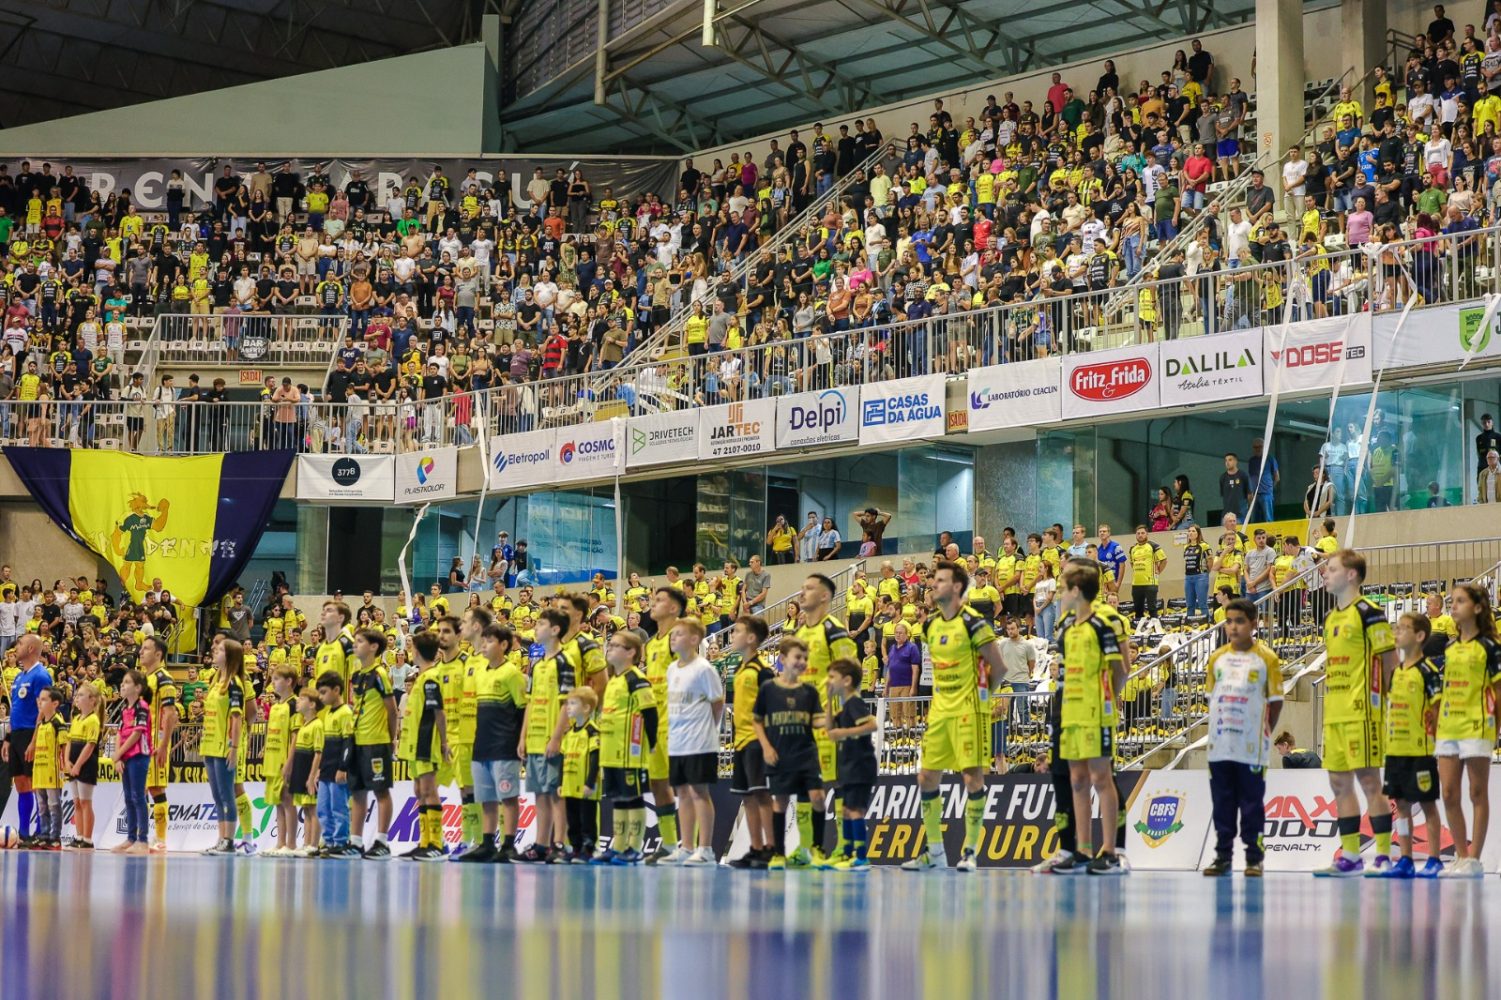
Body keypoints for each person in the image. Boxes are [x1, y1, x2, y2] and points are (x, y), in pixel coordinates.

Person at [902, 560, 1006, 872]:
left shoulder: (974, 623)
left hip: (969, 710)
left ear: (957, 586)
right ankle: (934, 853)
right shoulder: (930, 626)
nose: (933, 584)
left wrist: (982, 698)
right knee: (926, 777)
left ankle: (970, 852)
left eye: (941, 580)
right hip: (939, 711)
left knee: (972, 777)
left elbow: (999, 668)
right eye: (933, 580)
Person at [1314, 549, 1398, 877]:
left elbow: (1389, 661)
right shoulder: (1330, 617)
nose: (1325, 573)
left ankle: (1383, 856)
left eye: (1332, 568)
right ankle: (1350, 857)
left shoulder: (1369, 613)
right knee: (1339, 783)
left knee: (1369, 781)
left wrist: (1388, 703)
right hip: (1334, 711)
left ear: (1351, 575)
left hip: (1362, 711)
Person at [1051, 561, 1127, 874]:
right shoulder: (1067, 627)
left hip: (1096, 713)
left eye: (1063, 589)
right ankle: (1082, 849)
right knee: (1078, 780)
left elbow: (1120, 670)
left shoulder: (1101, 625)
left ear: (1077, 591)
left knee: (1101, 778)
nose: (1060, 594)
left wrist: (1105, 700)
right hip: (1071, 712)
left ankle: (1110, 850)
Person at [1201, 599, 1283, 877]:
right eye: (1229, 621)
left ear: (1253, 623)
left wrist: (1264, 730)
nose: (1233, 627)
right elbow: (1212, 699)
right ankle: (1222, 856)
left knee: (1251, 804)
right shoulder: (1217, 658)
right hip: (1220, 746)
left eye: (1239, 621)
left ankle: (1253, 858)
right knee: (1221, 803)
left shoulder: (1267, 658)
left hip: (1251, 748)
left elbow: (1276, 701)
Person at [1434, 580, 1501, 879]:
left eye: (1460, 601)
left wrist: (1496, 727)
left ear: (1476, 607)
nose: (1453, 605)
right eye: (1452, 601)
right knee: (1449, 793)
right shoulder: (1449, 647)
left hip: (1477, 725)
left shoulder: (1490, 647)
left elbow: (1498, 692)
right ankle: (1461, 856)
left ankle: (1474, 859)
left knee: (1476, 792)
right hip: (1449, 727)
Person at [793, 573, 859, 860]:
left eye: (809, 588)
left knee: (838, 783)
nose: (802, 592)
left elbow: (851, 675)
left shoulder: (834, 630)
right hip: (803, 725)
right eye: (802, 587)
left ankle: (846, 848)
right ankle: (807, 849)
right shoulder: (799, 635)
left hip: (830, 722)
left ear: (824, 596)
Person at [1381, 612, 1446, 879]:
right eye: (1396, 628)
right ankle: (1405, 858)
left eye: (1403, 628)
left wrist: (1435, 744)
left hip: (1420, 751)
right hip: (1395, 750)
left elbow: (1437, 711)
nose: (1397, 632)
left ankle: (1434, 858)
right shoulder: (1396, 672)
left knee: (1428, 805)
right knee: (1402, 808)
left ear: (1419, 636)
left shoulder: (1428, 671)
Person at [753, 636, 827, 869]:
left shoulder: (809, 692)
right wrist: (766, 747)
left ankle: (817, 848)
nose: (802, 662)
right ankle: (778, 853)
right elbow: (757, 720)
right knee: (781, 801)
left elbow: (817, 721)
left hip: (806, 754)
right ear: (783, 659)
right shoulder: (768, 689)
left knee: (818, 797)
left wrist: (835, 715)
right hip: (779, 754)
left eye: (805, 658)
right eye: (798, 657)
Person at [589, 630, 659, 866]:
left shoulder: (636, 679)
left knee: (633, 797)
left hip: (630, 752)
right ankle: (618, 846)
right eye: (610, 645)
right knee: (618, 798)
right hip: (610, 751)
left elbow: (650, 713)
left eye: (616, 645)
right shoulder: (614, 680)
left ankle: (634, 847)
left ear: (631, 652)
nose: (609, 648)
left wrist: (651, 744)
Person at [461, 624, 527, 864]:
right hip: (482, 745)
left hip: (504, 746)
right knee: (486, 798)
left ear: (504, 645)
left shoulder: (512, 673)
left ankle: (508, 844)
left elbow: (523, 710)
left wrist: (521, 741)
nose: (484, 645)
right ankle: (487, 843)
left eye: (489, 641)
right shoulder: (481, 673)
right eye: (483, 641)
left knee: (507, 797)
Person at [663, 618, 724, 866]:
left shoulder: (704, 669)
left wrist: (707, 729)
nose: (673, 637)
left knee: (699, 792)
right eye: (672, 634)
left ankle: (706, 849)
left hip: (700, 742)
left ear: (694, 639)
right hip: (677, 742)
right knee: (682, 793)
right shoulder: (672, 669)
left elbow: (717, 703)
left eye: (679, 634)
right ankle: (687, 847)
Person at [343, 627, 397, 859]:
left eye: (360, 641)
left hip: (376, 741)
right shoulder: (357, 675)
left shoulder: (380, 674)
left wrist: (392, 739)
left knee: (381, 791)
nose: (355, 644)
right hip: (358, 740)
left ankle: (382, 841)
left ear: (374, 647)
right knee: (357, 792)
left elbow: (392, 710)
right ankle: (355, 842)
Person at [726, 617, 776, 869]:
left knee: (762, 794)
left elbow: (772, 707)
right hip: (740, 740)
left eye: (737, 631)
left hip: (758, 740)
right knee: (747, 796)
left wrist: (768, 743)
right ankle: (755, 848)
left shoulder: (762, 671)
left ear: (751, 638)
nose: (732, 635)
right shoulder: (739, 668)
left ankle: (771, 848)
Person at [396, 630, 449, 861]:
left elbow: (439, 713)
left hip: (427, 742)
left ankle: (436, 844)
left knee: (429, 791)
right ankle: (424, 841)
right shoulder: (420, 677)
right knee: (419, 791)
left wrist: (444, 742)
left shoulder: (430, 679)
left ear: (417, 651)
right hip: (414, 744)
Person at [642, 587, 684, 863]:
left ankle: (693, 845)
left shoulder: (678, 638)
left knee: (687, 788)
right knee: (658, 784)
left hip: (677, 722)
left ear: (674, 608)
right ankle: (669, 844)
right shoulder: (651, 644)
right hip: (654, 722)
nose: (653, 604)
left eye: (659, 600)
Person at [825, 659, 877, 872]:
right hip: (848, 765)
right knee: (846, 810)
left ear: (846, 681)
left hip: (860, 766)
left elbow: (872, 725)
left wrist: (844, 733)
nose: (828, 681)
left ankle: (861, 857)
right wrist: (829, 700)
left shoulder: (855, 702)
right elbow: (829, 729)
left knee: (855, 810)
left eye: (832, 677)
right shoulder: (845, 706)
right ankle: (847, 853)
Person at [201, 638, 250, 856]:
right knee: (216, 795)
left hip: (224, 747)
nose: (214, 650)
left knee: (226, 793)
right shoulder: (215, 680)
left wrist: (234, 747)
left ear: (229, 656)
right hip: (209, 745)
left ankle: (229, 840)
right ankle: (221, 838)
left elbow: (237, 718)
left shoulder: (234, 684)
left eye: (220, 649)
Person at [3, 634, 51, 846]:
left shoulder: (41, 676)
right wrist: (8, 738)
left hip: (32, 733)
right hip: (17, 735)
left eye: (21, 643)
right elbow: (15, 709)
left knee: (35, 784)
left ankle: (41, 833)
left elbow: (44, 710)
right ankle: (24, 833)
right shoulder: (18, 677)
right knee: (21, 783)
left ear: (31, 648)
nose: (16, 646)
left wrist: (35, 740)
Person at [260, 665, 301, 857]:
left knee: (287, 801)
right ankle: (280, 843)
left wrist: (290, 763)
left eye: (276, 679)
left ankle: (291, 844)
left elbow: (295, 736)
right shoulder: (275, 706)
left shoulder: (294, 704)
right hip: (272, 761)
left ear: (289, 681)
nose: (273, 683)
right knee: (277, 802)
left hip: (285, 761)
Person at [314, 672, 355, 857]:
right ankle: (328, 841)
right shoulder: (328, 714)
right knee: (323, 808)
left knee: (338, 808)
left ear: (336, 690)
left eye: (323, 692)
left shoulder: (345, 712)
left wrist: (343, 768)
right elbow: (326, 745)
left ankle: (341, 841)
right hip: (326, 769)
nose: (321, 697)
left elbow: (348, 742)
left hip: (338, 769)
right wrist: (319, 769)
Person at [112, 669, 153, 855]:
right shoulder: (124, 709)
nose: (122, 685)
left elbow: (137, 734)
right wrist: (118, 756)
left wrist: (118, 754)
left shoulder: (141, 706)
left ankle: (143, 840)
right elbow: (120, 733)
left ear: (138, 688)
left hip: (139, 756)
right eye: (122, 682)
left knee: (138, 796)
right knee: (128, 797)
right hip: (126, 757)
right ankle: (130, 838)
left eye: (127, 682)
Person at [558, 689, 601, 862]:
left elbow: (595, 758)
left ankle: (588, 848)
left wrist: (590, 782)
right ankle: (575, 848)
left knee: (587, 818)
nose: (568, 707)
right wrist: (560, 782)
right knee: (573, 818)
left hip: (584, 786)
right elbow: (562, 759)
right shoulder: (569, 733)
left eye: (573, 703)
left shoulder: (592, 731)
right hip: (570, 784)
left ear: (586, 708)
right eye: (568, 703)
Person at [62, 681, 102, 849]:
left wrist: (78, 765)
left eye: (80, 695)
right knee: (76, 802)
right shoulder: (76, 719)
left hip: (86, 765)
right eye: (77, 695)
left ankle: (87, 839)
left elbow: (90, 745)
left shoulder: (93, 720)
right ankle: (78, 837)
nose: (77, 698)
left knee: (86, 802)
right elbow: (69, 741)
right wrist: (67, 761)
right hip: (73, 765)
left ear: (92, 700)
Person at [26, 688, 66, 850]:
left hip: (52, 771)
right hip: (39, 770)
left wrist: (65, 765)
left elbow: (64, 745)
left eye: (43, 699)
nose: (39, 702)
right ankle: (44, 835)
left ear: (54, 703)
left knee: (54, 804)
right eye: (39, 699)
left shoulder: (58, 722)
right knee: (42, 805)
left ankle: (55, 837)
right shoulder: (41, 724)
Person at [289, 688, 325, 858]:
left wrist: (312, 776)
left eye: (302, 699)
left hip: (310, 772)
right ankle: (306, 843)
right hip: (301, 770)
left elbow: (318, 753)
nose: (298, 701)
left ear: (312, 705)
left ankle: (314, 844)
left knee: (313, 808)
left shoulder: (317, 725)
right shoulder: (303, 725)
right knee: (306, 808)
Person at [1126, 525, 1166, 619]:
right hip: (1136, 584)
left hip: (1150, 583)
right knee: (1138, 610)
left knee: (1152, 609)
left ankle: (1155, 627)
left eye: (1143, 533)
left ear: (1147, 534)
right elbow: (1132, 563)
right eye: (1138, 533)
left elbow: (1164, 560)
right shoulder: (1132, 548)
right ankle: (1139, 628)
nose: (1140, 535)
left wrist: (1158, 571)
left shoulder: (1153, 546)